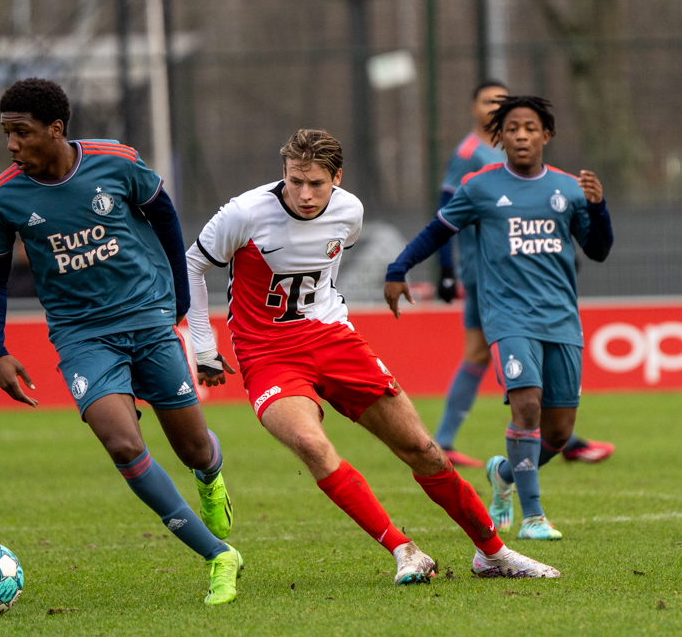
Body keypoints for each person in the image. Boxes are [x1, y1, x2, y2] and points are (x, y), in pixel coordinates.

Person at [186, 128, 559, 583]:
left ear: (337, 178)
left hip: (332, 340)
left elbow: (323, 270)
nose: (304, 194)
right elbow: (192, 264)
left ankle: (493, 554)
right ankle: (405, 551)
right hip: (268, 354)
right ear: (283, 172)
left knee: (423, 449)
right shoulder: (244, 213)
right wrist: (204, 347)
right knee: (311, 444)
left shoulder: (350, 211)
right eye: (295, 181)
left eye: (316, 183)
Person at [0, 78, 240, 606]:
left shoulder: (115, 162)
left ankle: (210, 474)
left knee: (192, 448)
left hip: (147, 318)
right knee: (123, 444)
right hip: (80, 336)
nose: (11, 145)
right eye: (6, 133)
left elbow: (164, 214)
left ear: (56, 129)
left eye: (21, 132)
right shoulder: (1, 198)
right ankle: (218, 556)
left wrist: (178, 294)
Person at [384, 96, 614, 540]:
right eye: (512, 129)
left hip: (561, 320)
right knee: (526, 404)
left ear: (546, 135)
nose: (521, 136)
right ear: (500, 138)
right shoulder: (480, 187)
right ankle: (533, 517)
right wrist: (399, 268)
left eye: (530, 128)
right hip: (507, 316)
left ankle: (504, 473)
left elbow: (599, 250)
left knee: (559, 433)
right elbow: (438, 230)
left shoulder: (569, 189)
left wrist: (598, 207)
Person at [433, 81, 614, 468]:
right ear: (474, 108)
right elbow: (445, 210)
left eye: (500, 101)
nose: (494, 107)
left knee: (482, 353)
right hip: (487, 274)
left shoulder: (505, 151)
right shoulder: (469, 153)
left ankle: (554, 436)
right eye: (488, 101)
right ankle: (559, 439)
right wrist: (445, 269)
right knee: (500, 351)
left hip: (516, 270)